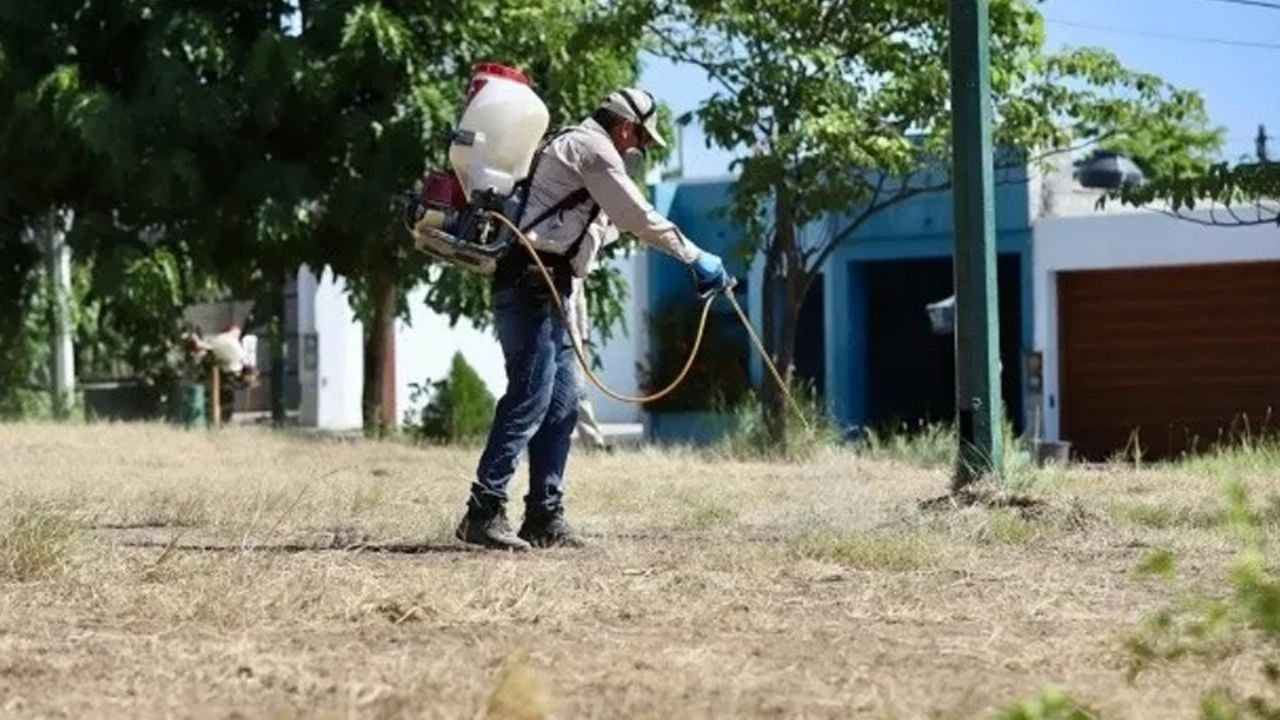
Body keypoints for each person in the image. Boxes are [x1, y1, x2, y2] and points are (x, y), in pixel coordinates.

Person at [455, 87, 732, 551]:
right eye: (641, 139)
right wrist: (695, 255)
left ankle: (544, 517)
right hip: (530, 281)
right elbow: (637, 215)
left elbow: (611, 223)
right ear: (625, 126)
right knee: (530, 396)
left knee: (561, 404)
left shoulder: (586, 154)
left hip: (550, 285)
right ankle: (482, 511)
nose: (639, 149)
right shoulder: (593, 148)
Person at [569, 275, 611, 453]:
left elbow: (580, 303)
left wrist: (583, 338)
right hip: (543, 337)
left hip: (571, 339)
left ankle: (594, 444)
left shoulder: (574, 266)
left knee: (579, 392)